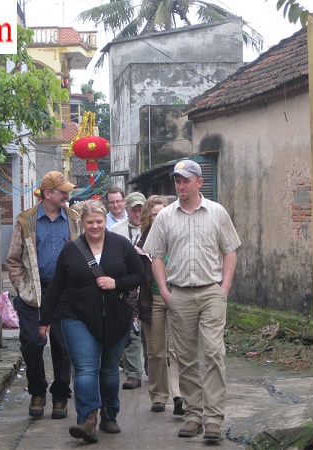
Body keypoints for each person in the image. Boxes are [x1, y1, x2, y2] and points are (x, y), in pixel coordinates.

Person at [143, 160, 241, 443]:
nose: (180, 186)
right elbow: (156, 255)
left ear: (199, 182)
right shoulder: (165, 217)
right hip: (180, 293)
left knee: (212, 352)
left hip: (211, 291)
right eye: (177, 181)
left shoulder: (217, 212)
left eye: (186, 181)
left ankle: (213, 419)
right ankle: (193, 414)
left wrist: (224, 287)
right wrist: (164, 291)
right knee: (185, 357)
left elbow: (230, 251)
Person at [39, 200, 144, 444]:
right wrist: (45, 319)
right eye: (90, 222)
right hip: (77, 316)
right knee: (86, 369)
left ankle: (110, 413)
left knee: (108, 371)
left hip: (116, 316)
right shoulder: (71, 249)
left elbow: (139, 275)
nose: (95, 226)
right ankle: (87, 419)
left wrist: (116, 283)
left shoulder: (121, 245)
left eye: (99, 221)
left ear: (104, 221)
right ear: (82, 223)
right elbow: (56, 286)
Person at [6, 171, 79, 420]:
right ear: (48, 194)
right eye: (63, 191)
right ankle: (38, 392)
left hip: (65, 294)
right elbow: (13, 259)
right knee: (32, 344)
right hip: (33, 294)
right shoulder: (26, 221)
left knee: (63, 345)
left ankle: (60, 397)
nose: (67, 195)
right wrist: (20, 285)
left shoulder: (74, 219)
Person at [135, 195, 184, 415]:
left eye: (163, 212)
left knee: (176, 350)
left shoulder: (179, 237)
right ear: (148, 217)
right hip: (152, 299)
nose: (159, 217)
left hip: (178, 297)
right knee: (156, 351)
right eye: (154, 214)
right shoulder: (141, 244)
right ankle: (159, 395)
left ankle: (178, 395)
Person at [110, 191, 146, 390]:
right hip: (127, 285)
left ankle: (153, 369)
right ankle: (133, 374)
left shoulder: (153, 227)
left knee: (150, 332)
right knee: (132, 331)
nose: (138, 214)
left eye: (141, 209)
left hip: (149, 286)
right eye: (134, 210)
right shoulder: (117, 230)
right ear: (127, 209)